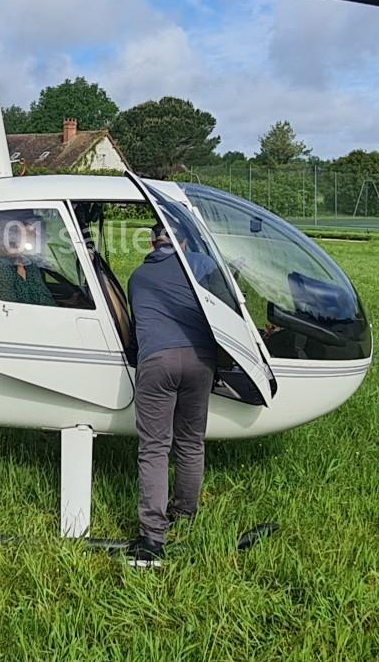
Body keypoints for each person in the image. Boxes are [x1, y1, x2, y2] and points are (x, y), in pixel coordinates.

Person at [124, 222, 219, 567]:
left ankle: (152, 535)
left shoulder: (137, 277)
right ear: (181, 240)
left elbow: (135, 329)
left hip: (157, 361)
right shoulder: (201, 264)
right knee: (191, 442)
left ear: (152, 244)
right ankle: (186, 513)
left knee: (154, 447)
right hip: (201, 359)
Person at [0, 212, 56, 306]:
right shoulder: (0, 266)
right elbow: (10, 306)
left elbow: (43, 296)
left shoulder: (29, 263)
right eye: (28, 226)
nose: (35, 231)